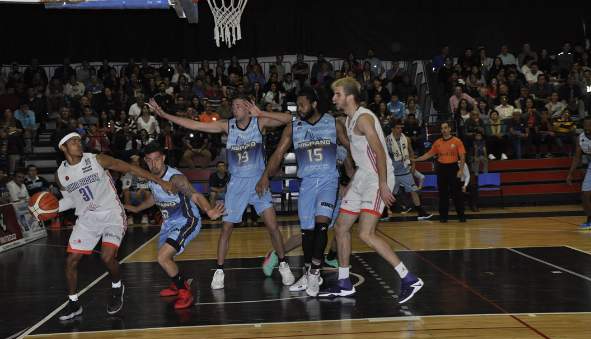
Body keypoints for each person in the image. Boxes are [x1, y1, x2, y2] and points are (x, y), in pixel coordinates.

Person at [147, 96, 295, 290]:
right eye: (234, 106)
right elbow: (195, 125)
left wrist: (262, 113)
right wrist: (164, 114)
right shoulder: (228, 126)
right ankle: (219, 270)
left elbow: (290, 119)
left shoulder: (260, 122)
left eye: (240, 105)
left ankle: (283, 263)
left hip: (259, 182)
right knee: (226, 229)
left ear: (249, 107)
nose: (236, 108)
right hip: (236, 185)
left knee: (273, 226)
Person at [54, 133, 174, 321]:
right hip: (87, 219)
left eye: (79, 140)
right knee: (71, 261)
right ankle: (73, 303)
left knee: (107, 257)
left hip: (112, 214)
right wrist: (51, 208)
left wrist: (159, 180)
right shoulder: (61, 174)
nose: (78, 143)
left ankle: (117, 287)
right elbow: (71, 200)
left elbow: (129, 168)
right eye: (73, 141)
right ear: (63, 147)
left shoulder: (97, 159)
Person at [328, 77, 423, 303]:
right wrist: (351, 183)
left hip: (378, 178)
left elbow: (380, 152)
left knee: (365, 233)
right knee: (341, 227)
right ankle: (344, 282)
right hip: (363, 177)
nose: (334, 98)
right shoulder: (350, 119)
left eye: (338, 94)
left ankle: (409, 278)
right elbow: (363, 159)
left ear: (350, 97)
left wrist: (382, 183)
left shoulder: (363, 119)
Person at [256, 88, 351, 296]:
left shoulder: (333, 123)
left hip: (329, 181)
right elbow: (279, 153)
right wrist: (265, 176)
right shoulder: (293, 127)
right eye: (297, 105)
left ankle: (315, 272)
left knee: (322, 226)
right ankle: (308, 272)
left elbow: (349, 149)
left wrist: (352, 180)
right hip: (307, 183)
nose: (298, 109)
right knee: (307, 233)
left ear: (314, 104)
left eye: (302, 105)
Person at [125, 142, 224, 309]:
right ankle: (178, 282)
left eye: (156, 159)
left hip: (187, 220)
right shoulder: (151, 177)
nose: (153, 164)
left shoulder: (175, 178)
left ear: (163, 158)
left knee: (162, 257)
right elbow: (155, 198)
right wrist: (136, 208)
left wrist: (208, 211)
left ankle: (185, 293)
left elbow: (195, 195)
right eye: (149, 160)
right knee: (166, 258)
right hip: (169, 223)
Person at [415, 122, 467, 223]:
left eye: (446, 128)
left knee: (457, 194)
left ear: (450, 129)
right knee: (443, 194)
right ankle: (443, 217)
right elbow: (428, 154)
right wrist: (416, 159)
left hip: (453, 168)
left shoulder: (457, 141)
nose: (444, 130)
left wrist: (460, 170)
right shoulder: (437, 142)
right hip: (442, 169)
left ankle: (461, 216)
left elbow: (462, 156)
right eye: (442, 128)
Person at [385, 120, 432, 220]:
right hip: (392, 172)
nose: (400, 129)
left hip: (405, 171)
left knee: (414, 190)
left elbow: (411, 153)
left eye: (401, 128)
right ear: (392, 129)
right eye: (398, 128)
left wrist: (413, 166)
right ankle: (384, 212)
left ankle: (421, 212)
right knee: (388, 193)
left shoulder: (406, 139)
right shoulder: (386, 140)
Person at [567, 117, 591, 229]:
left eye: (589, 125)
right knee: (585, 195)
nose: (587, 127)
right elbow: (577, 157)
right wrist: (570, 173)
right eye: (585, 125)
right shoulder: (580, 138)